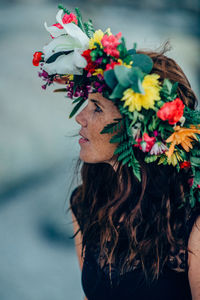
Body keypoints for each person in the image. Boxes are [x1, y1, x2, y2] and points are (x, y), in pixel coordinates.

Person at [33, 6, 200, 300]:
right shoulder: (86, 204)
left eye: (96, 108)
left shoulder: (190, 222)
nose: (80, 118)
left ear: (136, 130)